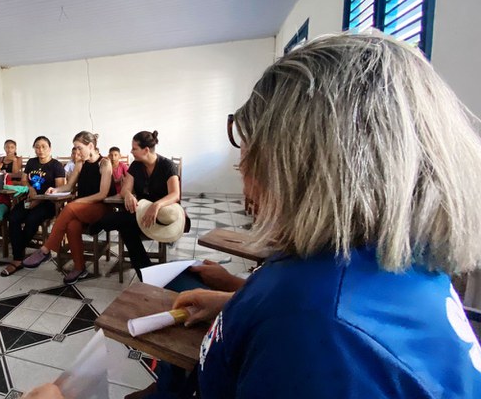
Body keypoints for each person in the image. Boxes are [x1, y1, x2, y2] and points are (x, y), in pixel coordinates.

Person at [26, 33, 481, 398]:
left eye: (252, 152)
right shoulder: (379, 260)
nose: (243, 173)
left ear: (309, 165)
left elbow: (312, 329)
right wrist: (233, 304)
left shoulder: (322, 338)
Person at [22, 131, 116, 285]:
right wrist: (55, 190)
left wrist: (78, 202)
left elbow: (102, 194)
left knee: (70, 207)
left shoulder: (104, 163)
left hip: (102, 208)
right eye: (75, 148)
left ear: (90, 146)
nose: (76, 152)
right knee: (72, 226)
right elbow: (69, 186)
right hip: (82, 208)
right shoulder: (80, 163)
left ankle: (46, 249)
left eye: (79, 148)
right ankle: (80, 268)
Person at [90, 131, 181, 280]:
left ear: (146, 150)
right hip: (141, 212)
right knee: (126, 227)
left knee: (118, 222)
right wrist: (129, 195)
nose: (131, 151)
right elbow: (125, 189)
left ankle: (100, 224)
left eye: (134, 148)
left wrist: (156, 205)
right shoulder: (136, 166)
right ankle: (147, 274)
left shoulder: (167, 165)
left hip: (161, 214)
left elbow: (175, 194)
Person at [4, 136, 66, 277]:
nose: (40, 150)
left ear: (50, 148)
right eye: (37, 147)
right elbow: (24, 180)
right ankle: (19, 255)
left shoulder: (56, 165)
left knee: (32, 219)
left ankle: (17, 258)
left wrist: (38, 200)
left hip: (48, 203)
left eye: (44, 146)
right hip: (29, 198)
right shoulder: (32, 162)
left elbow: (59, 190)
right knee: (13, 217)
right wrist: (30, 188)